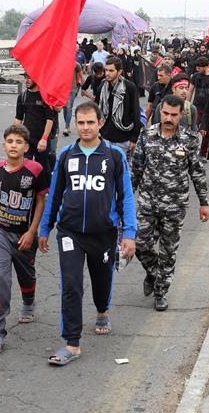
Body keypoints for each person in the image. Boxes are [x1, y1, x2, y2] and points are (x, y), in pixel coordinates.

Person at [38, 101, 137, 366]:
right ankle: (72, 343)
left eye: (90, 122)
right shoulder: (67, 156)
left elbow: (125, 196)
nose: (84, 128)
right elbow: (55, 194)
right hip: (70, 232)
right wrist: (44, 228)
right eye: (80, 123)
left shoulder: (114, 156)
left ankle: (102, 310)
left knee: (101, 280)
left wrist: (129, 233)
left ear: (100, 123)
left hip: (103, 233)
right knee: (71, 285)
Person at [133, 95, 209, 311]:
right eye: (165, 113)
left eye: (173, 115)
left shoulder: (189, 139)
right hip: (147, 202)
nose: (168, 118)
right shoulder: (146, 135)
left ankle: (160, 291)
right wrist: (125, 201)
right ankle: (153, 272)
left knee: (168, 251)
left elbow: (197, 173)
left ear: (181, 116)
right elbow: (136, 169)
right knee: (140, 243)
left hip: (175, 207)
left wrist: (203, 202)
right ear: (160, 111)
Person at [0, 125, 49, 354]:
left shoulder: (36, 170)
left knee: (26, 273)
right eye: (9, 141)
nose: (13, 145)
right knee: (0, 278)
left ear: (26, 147)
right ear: (3, 145)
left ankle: (29, 301)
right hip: (1, 230)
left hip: (24, 234)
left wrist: (32, 232)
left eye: (18, 142)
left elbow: (41, 202)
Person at [95, 56, 141, 156]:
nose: (107, 73)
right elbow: (96, 110)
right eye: (106, 70)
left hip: (124, 139)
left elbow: (136, 113)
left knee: (122, 169)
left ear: (119, 72)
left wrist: (134, 138)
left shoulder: (129, 87)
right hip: (105, 137)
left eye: (111, 70)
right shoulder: (102, 86)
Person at [14, 74, 55, 172]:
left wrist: (44, 139)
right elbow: (18, 118)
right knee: (25, 168)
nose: (26, 80)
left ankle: (45, 187)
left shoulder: (45, 96)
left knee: (42, 170)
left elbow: (50, 119)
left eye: (29, 78)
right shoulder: (22, 96)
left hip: (41, 139)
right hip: (27, 138)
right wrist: (13, 136)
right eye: (25, 78)